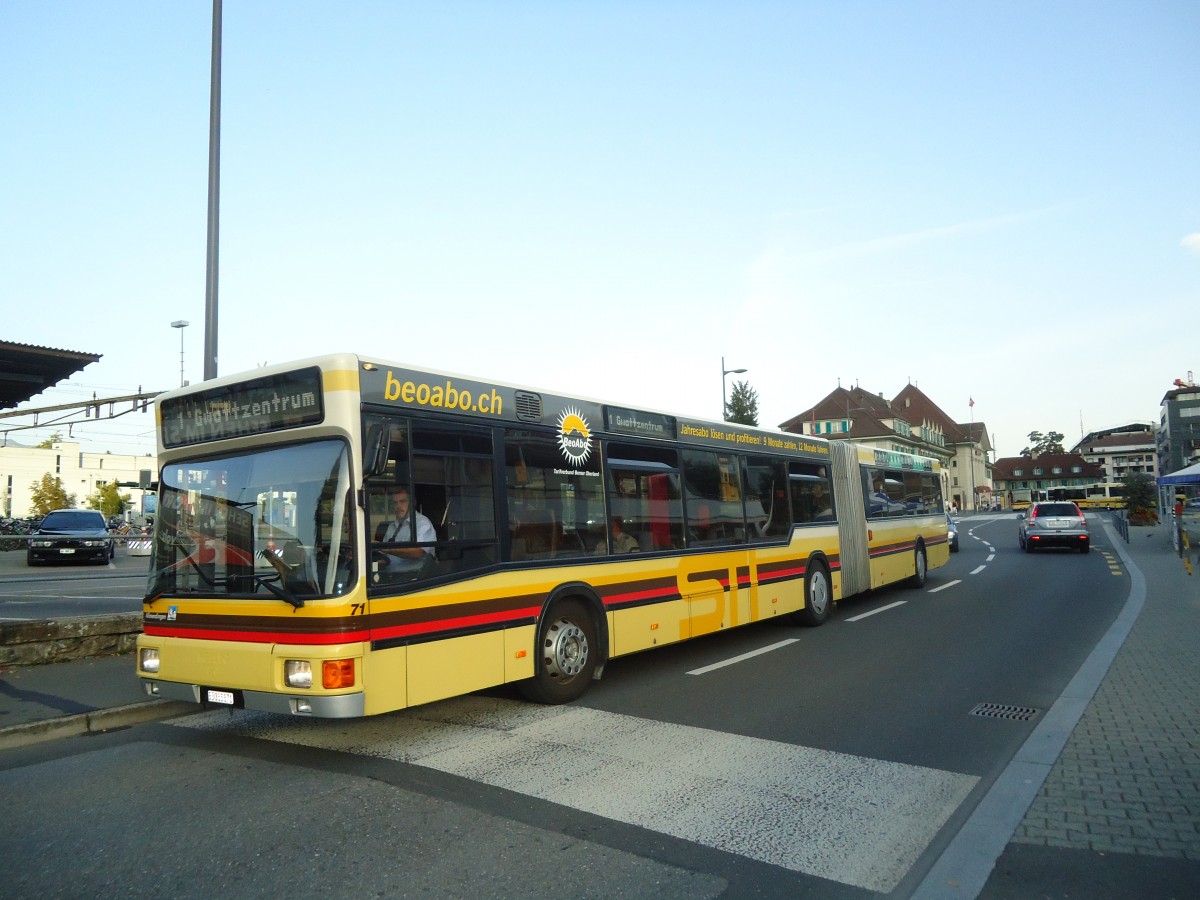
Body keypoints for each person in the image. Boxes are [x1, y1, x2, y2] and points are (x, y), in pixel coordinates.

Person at [377, 487, 436, 576]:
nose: (398, 506)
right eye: (395, 503)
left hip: (413, 578)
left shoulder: (422, 523)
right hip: (389, 576)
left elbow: (418, 552)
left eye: (402, 501)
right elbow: (387, 553)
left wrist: (385, 548)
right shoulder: (392, 526)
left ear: (413, 503)